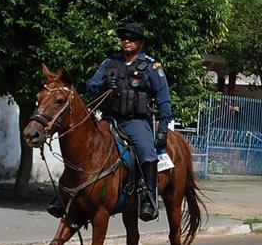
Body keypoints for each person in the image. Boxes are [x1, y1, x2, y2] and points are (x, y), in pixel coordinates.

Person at [47, 23, 172, 222]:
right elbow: (90, 85)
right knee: (84, 149)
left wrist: (163, 129)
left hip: (135, 121)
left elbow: (164, 100)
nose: (126, 41)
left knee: (147, 153)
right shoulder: (110, 62)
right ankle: (64, 194)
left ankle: (148, 198)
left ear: (140, 42)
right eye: (124, 38)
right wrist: (103, 84)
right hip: (109, 119)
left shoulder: (151, 66)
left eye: (131, 38)